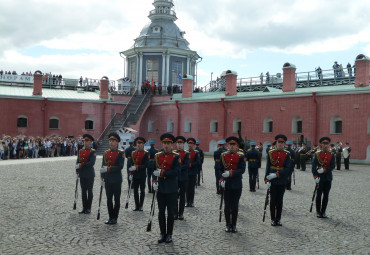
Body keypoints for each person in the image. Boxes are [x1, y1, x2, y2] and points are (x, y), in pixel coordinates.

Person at [152, 133, 180, 243]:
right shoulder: (157, 156)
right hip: (161, 188)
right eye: (164, 143)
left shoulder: (176, 156)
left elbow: (176, 171)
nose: (166, 145)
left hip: (171, 188)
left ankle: (169, 234)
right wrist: (154, 181)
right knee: (161, 212)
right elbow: (153, 171)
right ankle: (162, 233)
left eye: (168, 143)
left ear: (171, 144)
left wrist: (163, 172)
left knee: (170, 213)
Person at [219, 136, 246, 233]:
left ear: (237, 146)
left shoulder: (241, 156)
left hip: (237, 184)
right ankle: (227, 224)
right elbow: (219, 169)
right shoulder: (223, 155)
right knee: (227, 205)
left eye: (234, 145)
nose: (231, 146)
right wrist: (221, 179)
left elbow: (242, 170)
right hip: (226, 183)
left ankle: (233, 225)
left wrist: (231, 173)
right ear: (227, 145)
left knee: (235, 205)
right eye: (230, 144)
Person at [264, 134, 291, 226]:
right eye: (279, 142)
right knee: (272, 200)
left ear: (284, 144)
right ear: (276, 143)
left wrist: (277, 174)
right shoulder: (271, 153)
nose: (280, 144)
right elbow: (268, 166)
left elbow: (288, 168)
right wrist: (266, 179)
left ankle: (278, 218)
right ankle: (272, 218)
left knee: (280, 200)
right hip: (272, 180)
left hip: (282, 180)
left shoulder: (287, 154)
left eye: (282, 142)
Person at [100, 132, 125, 225]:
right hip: (107, 179)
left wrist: (109, 169)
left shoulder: (121, 153)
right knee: (109, 199)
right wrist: (102, 177)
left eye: (113, 141)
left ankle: (115, 217)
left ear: (117, 142)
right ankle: (110, 216)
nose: (111, 143)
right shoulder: (106, 152)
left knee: (117, 199)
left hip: (116, 179)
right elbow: (103, 166)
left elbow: (120, 166)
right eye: (110, 141)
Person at [312, 137, 335, 218]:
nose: (325, 145)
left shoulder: (331, 154)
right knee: (318, 195)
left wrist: (325, 169)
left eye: (327, 144)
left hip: (328, 178)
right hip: (319, 178)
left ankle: (323, 211)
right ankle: (318, 211)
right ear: (321, 145)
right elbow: (313, 167)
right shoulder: (317, 154)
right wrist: (315, 176)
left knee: (326, 195)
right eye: (324, 144)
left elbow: (332, 166)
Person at [75, 134, 96, 214]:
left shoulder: (92, 152)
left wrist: (81, 165)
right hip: (82, 174)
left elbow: (91, 163)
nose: (85, 143)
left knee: (89, 191)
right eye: (84, 141)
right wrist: (77, 170)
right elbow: (78, 161)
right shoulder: (81, 151)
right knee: (83, 191)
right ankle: (84, 207)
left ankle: (89, 208)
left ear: (90, 142)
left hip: (89, 174)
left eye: (87, 141)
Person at [129, 137, 149, 211]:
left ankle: (141, 205)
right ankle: (136, 205)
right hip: (135, 175)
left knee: (142, 190)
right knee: (135, 191)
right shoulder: (133, 153)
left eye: (140, 143)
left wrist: (137, 167)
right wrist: (130, 173)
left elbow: (146, 165)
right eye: (137, 143)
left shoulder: (146, 153)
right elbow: (131, 163)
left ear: (143, 144)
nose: (139, 145)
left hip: (142, 175)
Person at [173, 136, 189, 220]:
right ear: (176, 144)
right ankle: (175, 213)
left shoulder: (187, 154)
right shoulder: (173, 154)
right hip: (175, 178)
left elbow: (186, 165)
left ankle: (181, 213)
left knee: (182, 196)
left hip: (183, 178)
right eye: (178, 143)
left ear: (183, 144)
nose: (179, 145)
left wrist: (178, 167)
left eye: (181, 143)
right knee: (175, 195)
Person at [185, 138, 200, 207]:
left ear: (194, 145)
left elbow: (198, 162)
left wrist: (191, 164)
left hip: (193, 172)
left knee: (192, 188)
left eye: (191, 143)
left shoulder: (196, 153)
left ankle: (192, 201)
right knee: (187, 188)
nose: (190, 145)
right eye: (189, 143)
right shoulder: (185, 152)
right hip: (187, 172)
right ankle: (187, 201)